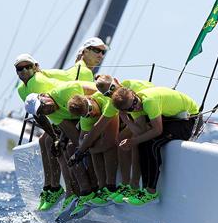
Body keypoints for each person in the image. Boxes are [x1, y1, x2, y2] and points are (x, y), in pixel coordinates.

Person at [24, 80, 101, 217]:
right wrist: (62, 142)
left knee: (76, 149)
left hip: (101, 114)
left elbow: (101, 93)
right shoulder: (51, 112)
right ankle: (78, 194)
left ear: (44, 95)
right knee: (65, 148)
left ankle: (95, 189)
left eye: (43, 105)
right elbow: (75, 137)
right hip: (86, 122)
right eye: (42, 111)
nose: (46, 110)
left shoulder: (67, 90)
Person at [111, 86, 200, 205]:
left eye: (135, 102)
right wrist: (126, 120)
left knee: (153, 143)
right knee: (143, 142)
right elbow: (141, 132)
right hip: (172, 119)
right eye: (131, 108)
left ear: (134, 94)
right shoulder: (135, 107)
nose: (136, 107)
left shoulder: (148, 102)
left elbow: (157, 131)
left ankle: (151, 192)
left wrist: (133, 141)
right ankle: (144, 190)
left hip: (190, 119)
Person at [14, 53, 72, 211]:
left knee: (52, 144)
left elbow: (52, 107)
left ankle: (62, 189)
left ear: (35, 68)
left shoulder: (38, 82)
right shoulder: (22, 89)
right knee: (44, 141)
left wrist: (55, 137)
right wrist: (53, 135)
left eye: (28, 67)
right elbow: (37, 114)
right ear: (17, 71)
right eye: (20, 68)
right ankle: (49, 187)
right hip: (57, 118)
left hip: (67, 114)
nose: (24, 70)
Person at [95, 75, 155, 203]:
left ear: (116, 80)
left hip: (158, 115)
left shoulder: (130, 93)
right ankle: (125, 184)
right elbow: (99, 125)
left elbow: (141, 130)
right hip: (143, 117)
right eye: (107, 94)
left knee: (135, 138)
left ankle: (134, 185)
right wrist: (80, 150)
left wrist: (127, 122)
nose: (111, 93)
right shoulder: (116, 100)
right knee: (121, 138)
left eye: (112, 88)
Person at [66, 92, 119, 205]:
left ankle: (110, 187)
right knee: (91, 142)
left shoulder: (106, 101)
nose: (92, 113)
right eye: (87, 115)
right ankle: (101, 187)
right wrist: (85, 147)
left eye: (90, 108)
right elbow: (81, 140)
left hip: (126, 125)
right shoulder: (86, 117)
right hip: (109, 131)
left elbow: (109, 141)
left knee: (105, 145)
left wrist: (83, 150)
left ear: (90, 99)